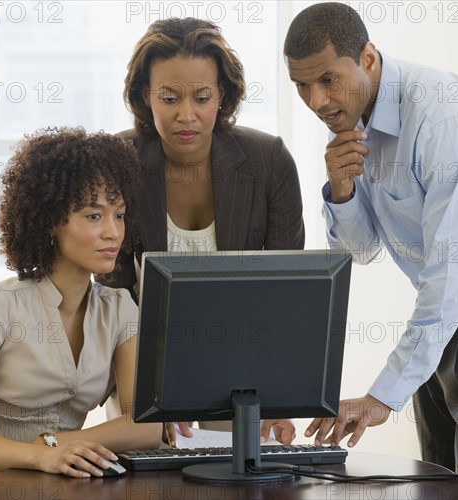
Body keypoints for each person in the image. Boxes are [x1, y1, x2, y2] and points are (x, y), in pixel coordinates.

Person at [283, 3, 458, 500]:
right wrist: (342, 191)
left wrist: (381, 396)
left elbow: (452, 274)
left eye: (328, 79)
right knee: (438, 485)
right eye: (302, 86)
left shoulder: (442, 118)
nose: (317, 101)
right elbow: (365, 249)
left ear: (367, 58)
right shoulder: (355, 118)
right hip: (445, 319)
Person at [96, 17, 305, 447]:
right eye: (169, 98)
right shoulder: (118, 160)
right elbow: (111, 296)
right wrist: (141, 402)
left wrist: (276, 399)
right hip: (141, 366)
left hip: (244, 369)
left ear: (223, 95)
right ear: (144, 96)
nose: (186, 115)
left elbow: (289, 293)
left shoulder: (269, 161)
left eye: (203, 97)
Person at [0, 127, 162, 480]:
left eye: (118, 215)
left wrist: (57, 443)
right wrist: (40, 455)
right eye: (93, 215)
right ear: (49, 222)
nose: (113, 232)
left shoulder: (119, 310)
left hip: (62, 483)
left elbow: (146, 427)